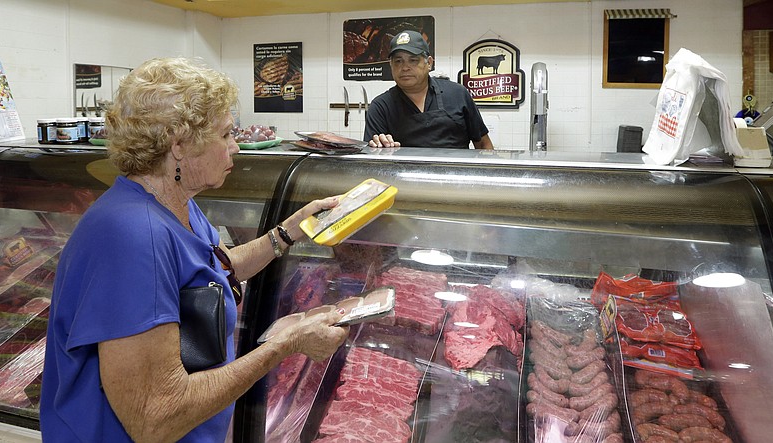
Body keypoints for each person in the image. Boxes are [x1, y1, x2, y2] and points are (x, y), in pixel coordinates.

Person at [40, 57, 349, 442]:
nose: (235, 146)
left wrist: (290, 230)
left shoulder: (174, 203)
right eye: (225, 134)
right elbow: (155, 418)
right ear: (180, 144)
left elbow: (221, 266)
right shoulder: (133, 236)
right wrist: (286, 344)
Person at [364, 30, 493, 150]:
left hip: (456, 173)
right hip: (404, 174)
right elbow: (372, 160)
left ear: (429, 63)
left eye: (413, 60)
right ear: (390, 65)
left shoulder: (457, 94)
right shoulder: (381, 107)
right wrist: (378, 146)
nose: (405, 67)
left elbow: (483, 143)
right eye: (398, 61)